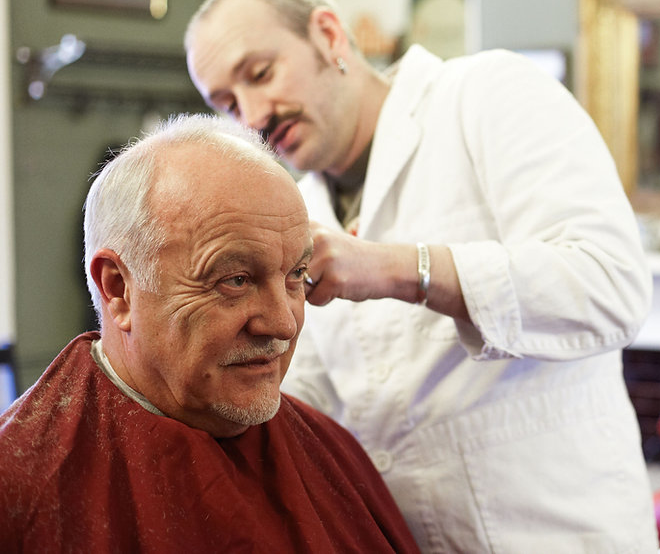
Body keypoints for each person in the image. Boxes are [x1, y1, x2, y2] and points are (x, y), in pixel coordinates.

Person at [185, 0, 658, 552]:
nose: (253, 115)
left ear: (329, 35)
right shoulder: (296, 210)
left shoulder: (488, 94)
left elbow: (610, 284)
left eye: (260, 74)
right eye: (227, 103)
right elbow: (316, 392)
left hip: (559, 530)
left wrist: (396, 268)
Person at [0, 114, 419, 553]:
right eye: (235, 279)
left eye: (296, 274)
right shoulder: (24, 492)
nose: (283, 323)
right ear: (118, 288)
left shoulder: (333, 453)